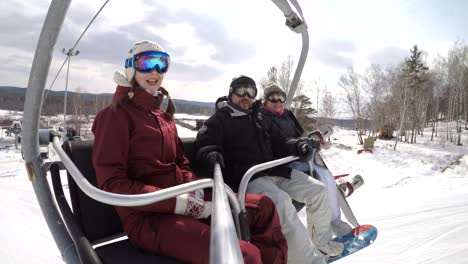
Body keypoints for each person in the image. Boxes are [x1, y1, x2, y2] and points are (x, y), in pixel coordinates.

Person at [91, 41, 287, 264]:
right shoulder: (115, 116)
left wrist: (195, 190)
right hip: (148, 219)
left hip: (181, 205)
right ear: (131, 68)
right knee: (244, 256)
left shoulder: (163, 117)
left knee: (263, 207)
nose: (154, 71)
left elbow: (181, 163)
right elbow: (112, 184)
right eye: (146, 63)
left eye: (161, 64)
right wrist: (180, 203)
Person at [195, 76, 343, 263]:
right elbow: (205, 143)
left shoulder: (257, 118)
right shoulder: (221, 119)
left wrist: (298, 146)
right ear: (231, 93)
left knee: (318, 191)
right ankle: (308, 260)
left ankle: (322, 243)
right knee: (282, 203)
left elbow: (280, 141)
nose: (246, 96)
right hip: (248, 177)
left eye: (251, 92)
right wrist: (210, 154)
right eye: (241, 91)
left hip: (274, 171)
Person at [260, 82, 353, 237]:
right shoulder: (263, 118)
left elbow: (300, 135)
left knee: (327, 177)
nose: (278, 102)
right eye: (273, 98)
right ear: (265, 100)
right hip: (283, 164)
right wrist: (302, 145)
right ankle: (325, 230)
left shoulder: (287, 115)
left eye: (281, 98)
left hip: (298, 157)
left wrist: (311, 143)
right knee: (320, 180)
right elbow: (278, 142)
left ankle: (335, 222)